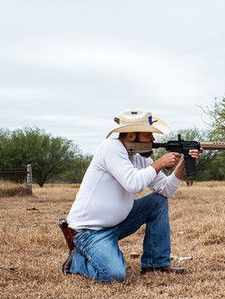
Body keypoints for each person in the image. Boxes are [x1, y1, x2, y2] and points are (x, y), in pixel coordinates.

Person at [63, 110, 200, 283]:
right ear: (130, 135)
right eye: (147, 135)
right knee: (113, 276)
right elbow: (133, 183)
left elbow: (166, 190)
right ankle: (77, 259)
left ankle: (155, 264)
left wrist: (183, 163)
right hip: (91, 231)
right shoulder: (110, 148)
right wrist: (159, 164)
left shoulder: (139, 156)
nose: (153, 139)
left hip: (117, 224)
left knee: (157, 201)